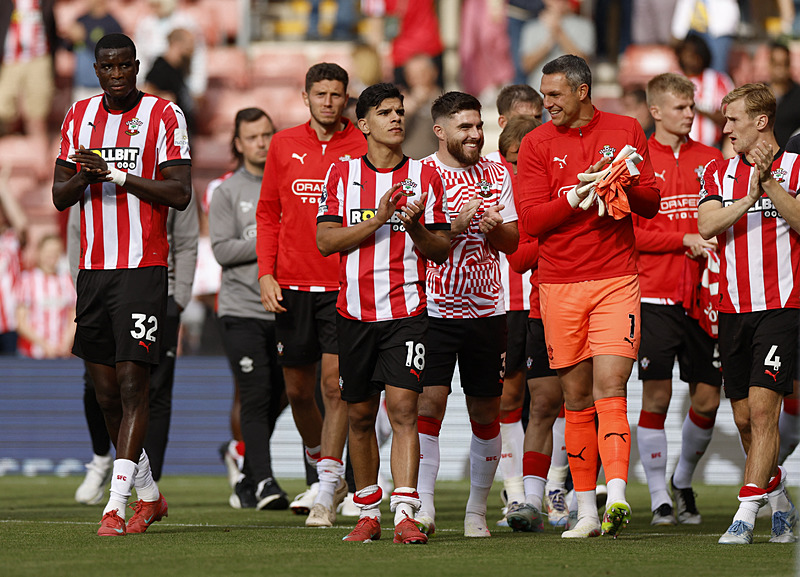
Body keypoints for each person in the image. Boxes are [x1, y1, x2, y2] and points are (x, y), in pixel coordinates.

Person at [52, 33, 192, 536]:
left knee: (134, 384)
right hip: (93, 272)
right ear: (96, 70)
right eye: (107, 67)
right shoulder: (78, 116)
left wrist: (116, 174)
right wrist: (87, 177)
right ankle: (150, 495)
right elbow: (59, 196)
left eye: (124, 66)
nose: (116, 75)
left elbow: (180, 193)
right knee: (105, 393)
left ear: (136, 66)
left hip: (142, 268)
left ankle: (115, 505)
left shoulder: (164, 115)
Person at [516, 54, 660, 538]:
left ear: (582, 91)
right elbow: (531, 221)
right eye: (544, 95)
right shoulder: (535, 143)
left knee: (611, 387)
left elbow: (651, 204)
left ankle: (615, 495)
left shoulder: (625, 129)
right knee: (575, 399)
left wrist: (622, 184)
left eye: (554, 94)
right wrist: (579, 194)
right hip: (557, 284)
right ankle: (586, 513)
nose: (547, 103)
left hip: (616, 278)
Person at [316, 82, 450, 544]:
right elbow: (325, 241)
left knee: (404, 409)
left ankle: (406, 512)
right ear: (364, 124)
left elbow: (440, 249)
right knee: (358, 415)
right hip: (353, 314)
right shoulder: (341, 173)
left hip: (406, 311)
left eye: (399, 111)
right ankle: (368, 512)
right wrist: (377, 219)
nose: (395, 119)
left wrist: (413, 228)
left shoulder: (426, 175)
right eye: (385, 112)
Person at [256, 62, 368, 526]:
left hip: (340, 284)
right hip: (292, 284)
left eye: (336, 94)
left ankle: (326, 484)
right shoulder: (283, 144)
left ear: (346, 98)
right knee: (298, 391)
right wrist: (266, 273)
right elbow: (268, 213)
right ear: (306, 97)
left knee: (333, 386)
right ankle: (323, 461)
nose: (328, 102)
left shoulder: (362, 144)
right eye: (320, 94)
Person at [697, 83, 799, 545]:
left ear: (761, 121)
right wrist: (747, 198)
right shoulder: (717, 172)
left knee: (762, 411)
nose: (726, 128)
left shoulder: (796, 167)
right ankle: (779, 502)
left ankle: (744, 514)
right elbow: (706, 224)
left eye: (733, 119)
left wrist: (770, 183)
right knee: (743, 419)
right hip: (732, 308)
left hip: (781, 306)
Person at [415, 91, 519, 538]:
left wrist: (495, 230)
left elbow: (513, 243)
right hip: (433, 308)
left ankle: (476, 511)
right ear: (440, 131)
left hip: (487, 310)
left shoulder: (497, 173)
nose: (476, 134)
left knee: (485, 410)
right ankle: (424, 507)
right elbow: (417, 242)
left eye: (479, 126)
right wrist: (453, 229)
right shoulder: (420, 174)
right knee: (428, 405)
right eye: (465, 127)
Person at [633, 72, 724, 526]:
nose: (690, 114)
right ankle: (659, 499)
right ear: (655, 111)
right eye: (681, 107)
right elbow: (629, 233)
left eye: (691, 106)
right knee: (657, 396)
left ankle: (682, 480)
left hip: (707, 296)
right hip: (654, 294)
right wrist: (682, 238)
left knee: (707, 399)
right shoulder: (636, 162)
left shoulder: (712, 159)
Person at [210, 107, 289, 510]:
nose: (261, 142)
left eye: (267, 134)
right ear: (238, 144)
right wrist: (272, 239)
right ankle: (266, 482)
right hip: (241, 308)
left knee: (286, 394)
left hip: (286, 307)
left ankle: (245, 467)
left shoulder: (291, 184)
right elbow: (222, 250)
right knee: (255, 392)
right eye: (253, 137)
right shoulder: (226, 191)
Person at [484, 84, 544, 523]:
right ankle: (515, 492)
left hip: (543, 298)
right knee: (508, 397)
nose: (533, 127)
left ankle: (553, 489)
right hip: (502, 301)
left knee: (550, 397)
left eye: (538, 118)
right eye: (524, 119)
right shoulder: (488, 173)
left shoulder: (552, 171)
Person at [519, 0, 595, 100]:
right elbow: (526, 66)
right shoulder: (531, 26)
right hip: (540, 97)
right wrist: (549, 42)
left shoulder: (584, 25)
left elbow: (583, 62)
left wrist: (558, 31)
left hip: (572, 97)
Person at [15, 235, 75, 359]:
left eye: (56, 251)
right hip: (32, 354)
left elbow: (74, 315)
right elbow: (21, 322)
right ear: (39, 252)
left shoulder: (66, 280)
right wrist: (44, 345)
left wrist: (66, 342)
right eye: (48, 251)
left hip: (62, 352)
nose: (52, 255)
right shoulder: (27, 280)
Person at [675, 35, 733, 149]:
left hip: (713, 147)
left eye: (695, 54)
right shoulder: (672, 81)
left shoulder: (719, 80)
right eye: (687, 53)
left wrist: (697, 107)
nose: (691, 58)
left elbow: (727, 117)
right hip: (679, 149)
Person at [143, 28, 196, 134]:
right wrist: (164, 99)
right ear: (177, 43)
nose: (192, 48)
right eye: (189, 43)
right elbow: (146, 92)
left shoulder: (178, 67)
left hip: (182, 130)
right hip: (170, 131)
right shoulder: (161, 67)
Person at [767, 43, 800, 149]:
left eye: (785, 63)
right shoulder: (759, 93)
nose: (780, 69)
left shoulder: (797, 94)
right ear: (770, 64)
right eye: (777, 64)